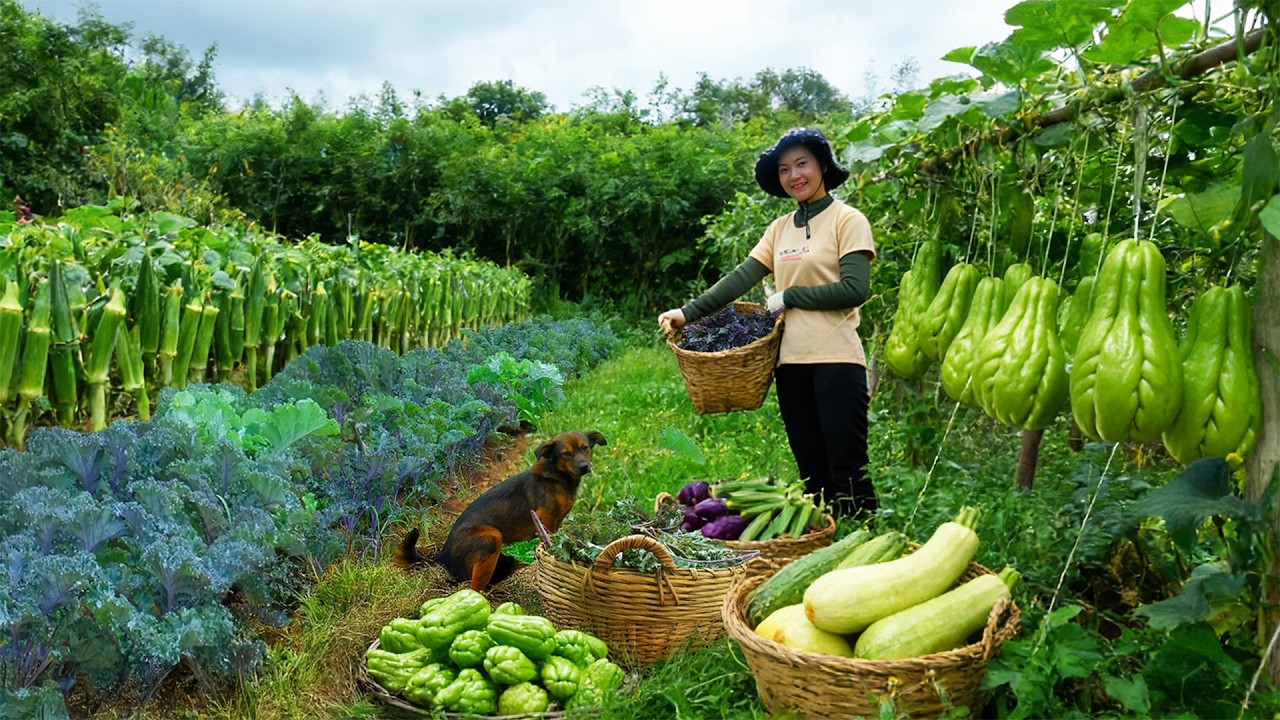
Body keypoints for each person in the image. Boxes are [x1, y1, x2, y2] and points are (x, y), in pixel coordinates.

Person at [658, 127, 877, 517]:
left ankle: (864, 533)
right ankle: (823, 537)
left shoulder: (847, 220)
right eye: (784, 169)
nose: (794, 175)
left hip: (837, 360)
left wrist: (790, 296)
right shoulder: (780, 229)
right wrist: (686, 313)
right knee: (811, 468)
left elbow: (855, 289)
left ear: (822, 166)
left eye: (802, 164)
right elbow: (740, 278)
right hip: (789, 363)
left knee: (847, 465)